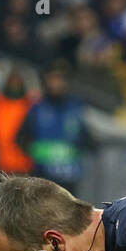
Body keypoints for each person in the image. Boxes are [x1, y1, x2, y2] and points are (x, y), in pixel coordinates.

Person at [18, 60, 92, 193]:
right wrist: (34, 153)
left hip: (70, 179)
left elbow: (87, 139)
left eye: (60, 79)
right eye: (52, 79)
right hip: (43, 179)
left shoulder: (76, 107)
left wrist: (81, 147)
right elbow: (20, 138)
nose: (56, 83)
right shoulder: (37, 108)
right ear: (45, 81)